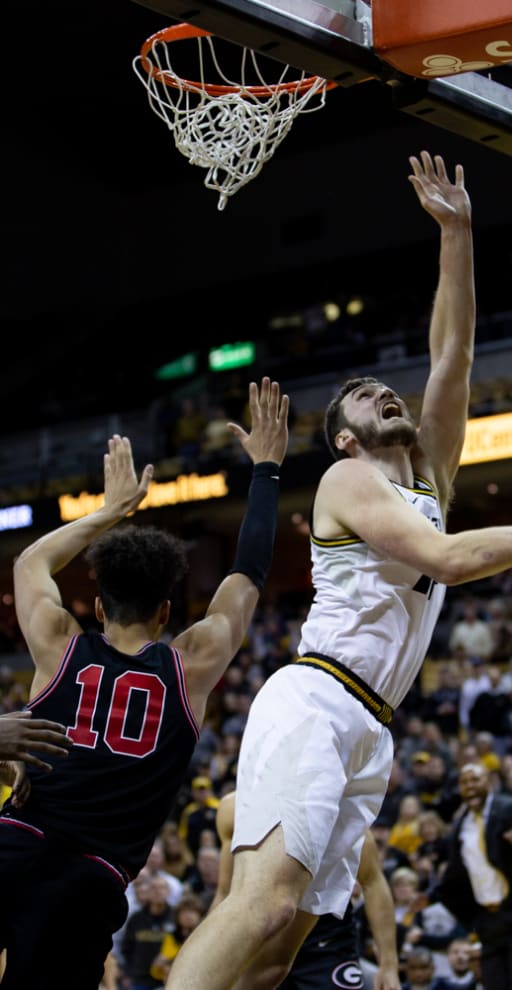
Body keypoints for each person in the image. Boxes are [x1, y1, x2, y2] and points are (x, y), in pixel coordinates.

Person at [167, 151, 512, 990]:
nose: (383, 391)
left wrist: (456, 235)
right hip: (316, 695)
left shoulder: (430, 481)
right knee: (261, 909)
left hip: (370, 725)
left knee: (281, 950)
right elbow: (449, 560)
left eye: (383, 387)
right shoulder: (350, 480)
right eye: (360, 395)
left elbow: (451, 354)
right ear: (344, 436)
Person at [0, 377, 288, 990]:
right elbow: (249, 574)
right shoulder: (192, 664)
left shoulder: (58, 644)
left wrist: (108, 510)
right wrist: (266, 469)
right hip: (90, 880)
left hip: (13, 845)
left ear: (98, 609)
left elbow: (29, 564)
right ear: (165, 611)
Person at [214, 791, 401, 990]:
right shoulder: (235, 807)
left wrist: (389, 965)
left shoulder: (337, 810)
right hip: (262, 936)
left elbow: (372, 882)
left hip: (326, 937)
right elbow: (224, 891)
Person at [427, 762, 512, 990]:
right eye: (464, 782)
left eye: (475, 779)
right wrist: (429, 897)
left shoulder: (509, 808)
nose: (469, 786)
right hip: (489, 921)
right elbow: (455, 874)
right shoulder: (460, 824)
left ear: (490, 782)